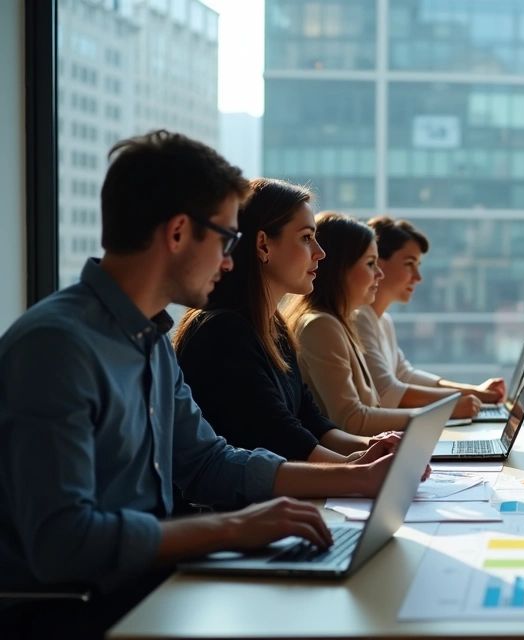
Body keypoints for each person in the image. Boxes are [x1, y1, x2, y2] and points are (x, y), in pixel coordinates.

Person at [0, 131, 395, 638]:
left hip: (147, 588)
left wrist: (356, 479)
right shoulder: (58, 348)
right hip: (77, 614)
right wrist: (232, 529)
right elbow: (65, 543)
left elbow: (209, 462)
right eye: (227, 240)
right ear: (180, 233)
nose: (231, 261)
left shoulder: (149, 339)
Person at [175, 178, 401, 462]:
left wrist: (374, 447)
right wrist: (358, 468)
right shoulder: (223, 332)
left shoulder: (275, 327)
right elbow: (284, 439)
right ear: (263, 245)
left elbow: (313, 424)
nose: (320, 252)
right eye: (306, 238)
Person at [285, 213, 427, 436]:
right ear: (340, 268)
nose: (379, 274)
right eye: (371, 264)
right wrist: (428, 417)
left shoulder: (340, 323)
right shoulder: (321, 326)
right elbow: (351, 419)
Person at [350, 216, 505, 417]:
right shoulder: (360, 319)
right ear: (379, 263)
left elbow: (405, 375)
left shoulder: (383, 321)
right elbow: (389, 392)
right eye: (409, 263)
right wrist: (456, 402)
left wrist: (477, 393)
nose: (418, 277)